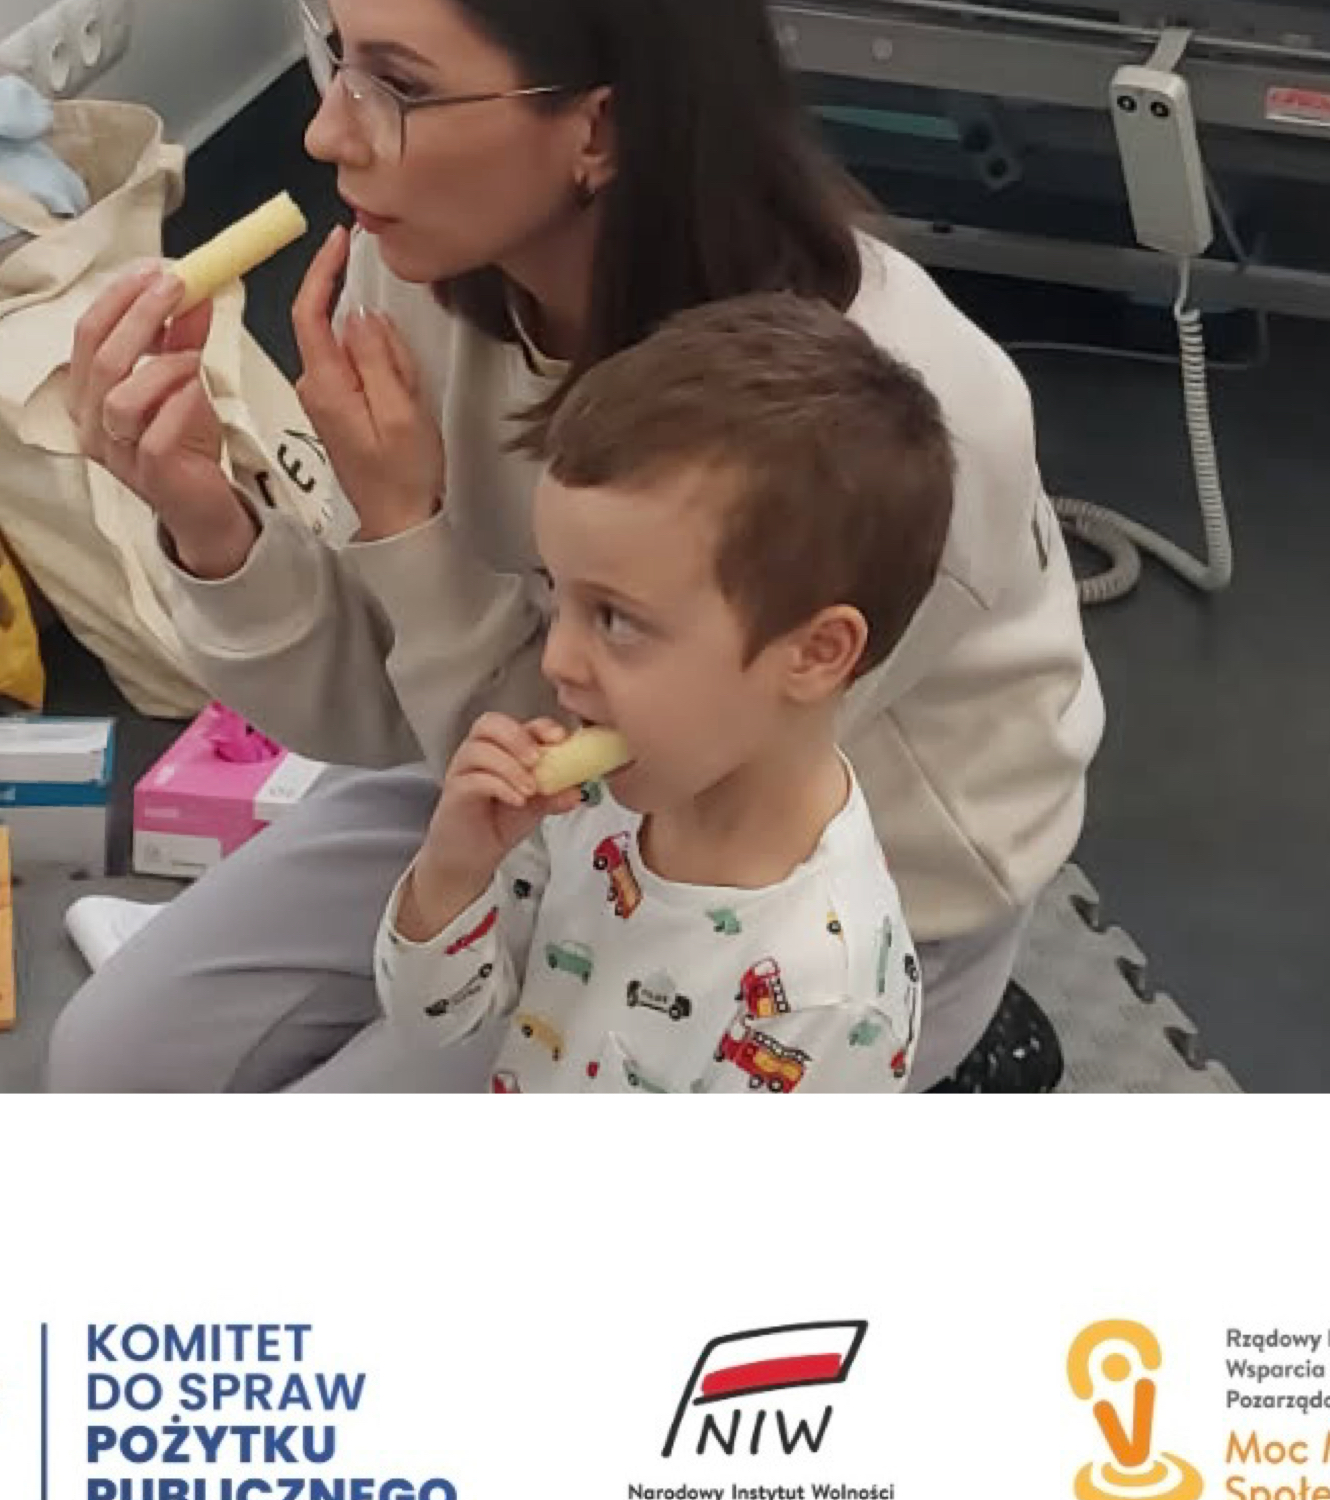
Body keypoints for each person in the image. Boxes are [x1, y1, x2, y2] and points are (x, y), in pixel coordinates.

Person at [46, 0, 1103, 1095]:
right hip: (505, 762)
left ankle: (964, 1048)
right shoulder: (413, 268)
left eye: (398, 85)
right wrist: (210, 517)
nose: (323, 133)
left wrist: (411, 533)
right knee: (109, 1064)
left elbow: (620, 779)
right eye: (338, 53)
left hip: (777, 888)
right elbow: (386, 709)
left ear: (600, 124)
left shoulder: (901, 416)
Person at [382, 292, 949, 1093]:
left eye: (615, 619)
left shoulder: (824, 995)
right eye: (558, 595)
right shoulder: (592, 804)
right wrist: (453, 872)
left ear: (815, 653)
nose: (558, 660)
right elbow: (438, 1022)